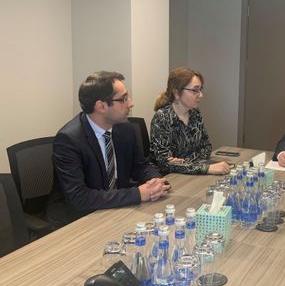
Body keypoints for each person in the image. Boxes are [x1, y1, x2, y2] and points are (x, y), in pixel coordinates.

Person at [48, 71, 169, 227]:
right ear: (102, 106)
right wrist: (137, 194)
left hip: (117, 209)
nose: (131, 103)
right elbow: (80, 197)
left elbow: (140, 165)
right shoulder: (69, 140)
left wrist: (156, 181)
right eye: (123, 99)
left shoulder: (125, 128)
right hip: (79, 218)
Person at [149, 68, 230, 175]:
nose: (201, 95)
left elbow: (206, 147)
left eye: (200, 89)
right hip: (169, 178)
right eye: (195, 90)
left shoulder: (195, 114)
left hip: (191, 174)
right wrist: (205, 168)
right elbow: (165, 164)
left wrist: (183, 163)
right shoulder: (162, 117)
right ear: (176, 93)